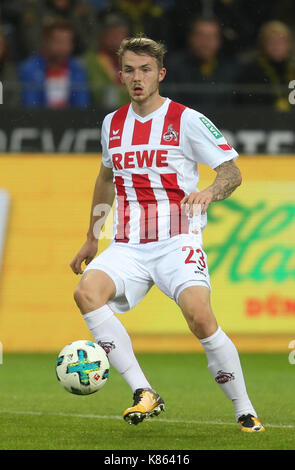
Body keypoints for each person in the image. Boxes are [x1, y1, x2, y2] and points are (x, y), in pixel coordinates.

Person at [70, 35, 265, 432]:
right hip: (127, 243)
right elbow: (106, 177)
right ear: (120, 74)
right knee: (86, 293)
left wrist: (210, 191)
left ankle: (244, 408)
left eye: (145, 70)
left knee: (199, 317)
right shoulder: (112, 124)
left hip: (177, 240)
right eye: (129, 70)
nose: (137, 78)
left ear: (160, 74)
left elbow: (232, 170)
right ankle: (144, 391)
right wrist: (93, 236)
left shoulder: (187, 120)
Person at [166, 17, 241, 107]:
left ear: (219, 41)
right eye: (201, 36)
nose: (206, 42)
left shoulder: (232, 69)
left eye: (212, 36)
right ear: (190, 38)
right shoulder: (174, 68)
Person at [19, 18, 90, 108]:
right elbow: (30, 107)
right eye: (59, 42)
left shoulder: (78, 70)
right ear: (46, 42)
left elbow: (82, 107)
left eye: (68, 42)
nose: (64, 47)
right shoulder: (29, 69)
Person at [236, 21, 295, 111]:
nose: (276, 46)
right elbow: (251, 104)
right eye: (272, 41)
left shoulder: (292, 69)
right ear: (263, 44)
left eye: (280, 42)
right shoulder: (252, 71)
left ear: (288, 44)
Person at [84, 13, 130, 109]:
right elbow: (98, 93)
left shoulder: (134, 60)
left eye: (120, 34)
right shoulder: (91, 60)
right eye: (112, 34)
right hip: (99, 113)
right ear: (102, 36)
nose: (116, 39)